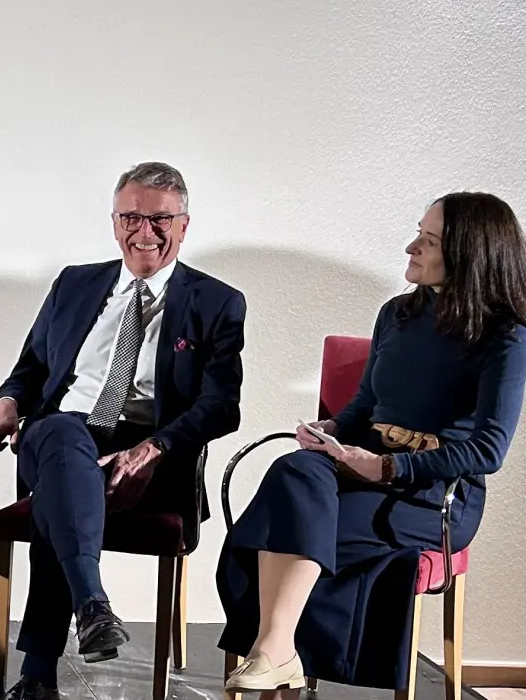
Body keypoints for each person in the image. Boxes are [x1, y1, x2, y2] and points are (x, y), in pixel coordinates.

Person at [218, 192, 526, 697]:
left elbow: (488, 450)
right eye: (418, 233)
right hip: (359, 466)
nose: (411, 247)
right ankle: (277, 650)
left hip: (430, 494)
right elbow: (364, 406)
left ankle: (274, 651)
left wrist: (388, 469)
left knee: (289, 522)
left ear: (469, 254)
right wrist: (332, 432)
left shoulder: (505, 339)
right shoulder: (397, 315)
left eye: (427, 241)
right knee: (294, 470)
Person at [0, 161, 247, 700]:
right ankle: (92, 606)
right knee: (60, 438)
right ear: (114, 220)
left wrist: (155, 446)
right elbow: (31, 368)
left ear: (185, 224)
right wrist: (7, 401)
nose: (144, 233)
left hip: (150, 453)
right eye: (131, 218)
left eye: (160, 220)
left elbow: (222, 407)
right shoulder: (75, 283)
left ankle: (38, 676)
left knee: (62, 492)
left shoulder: (217, 302)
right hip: (63, 431)